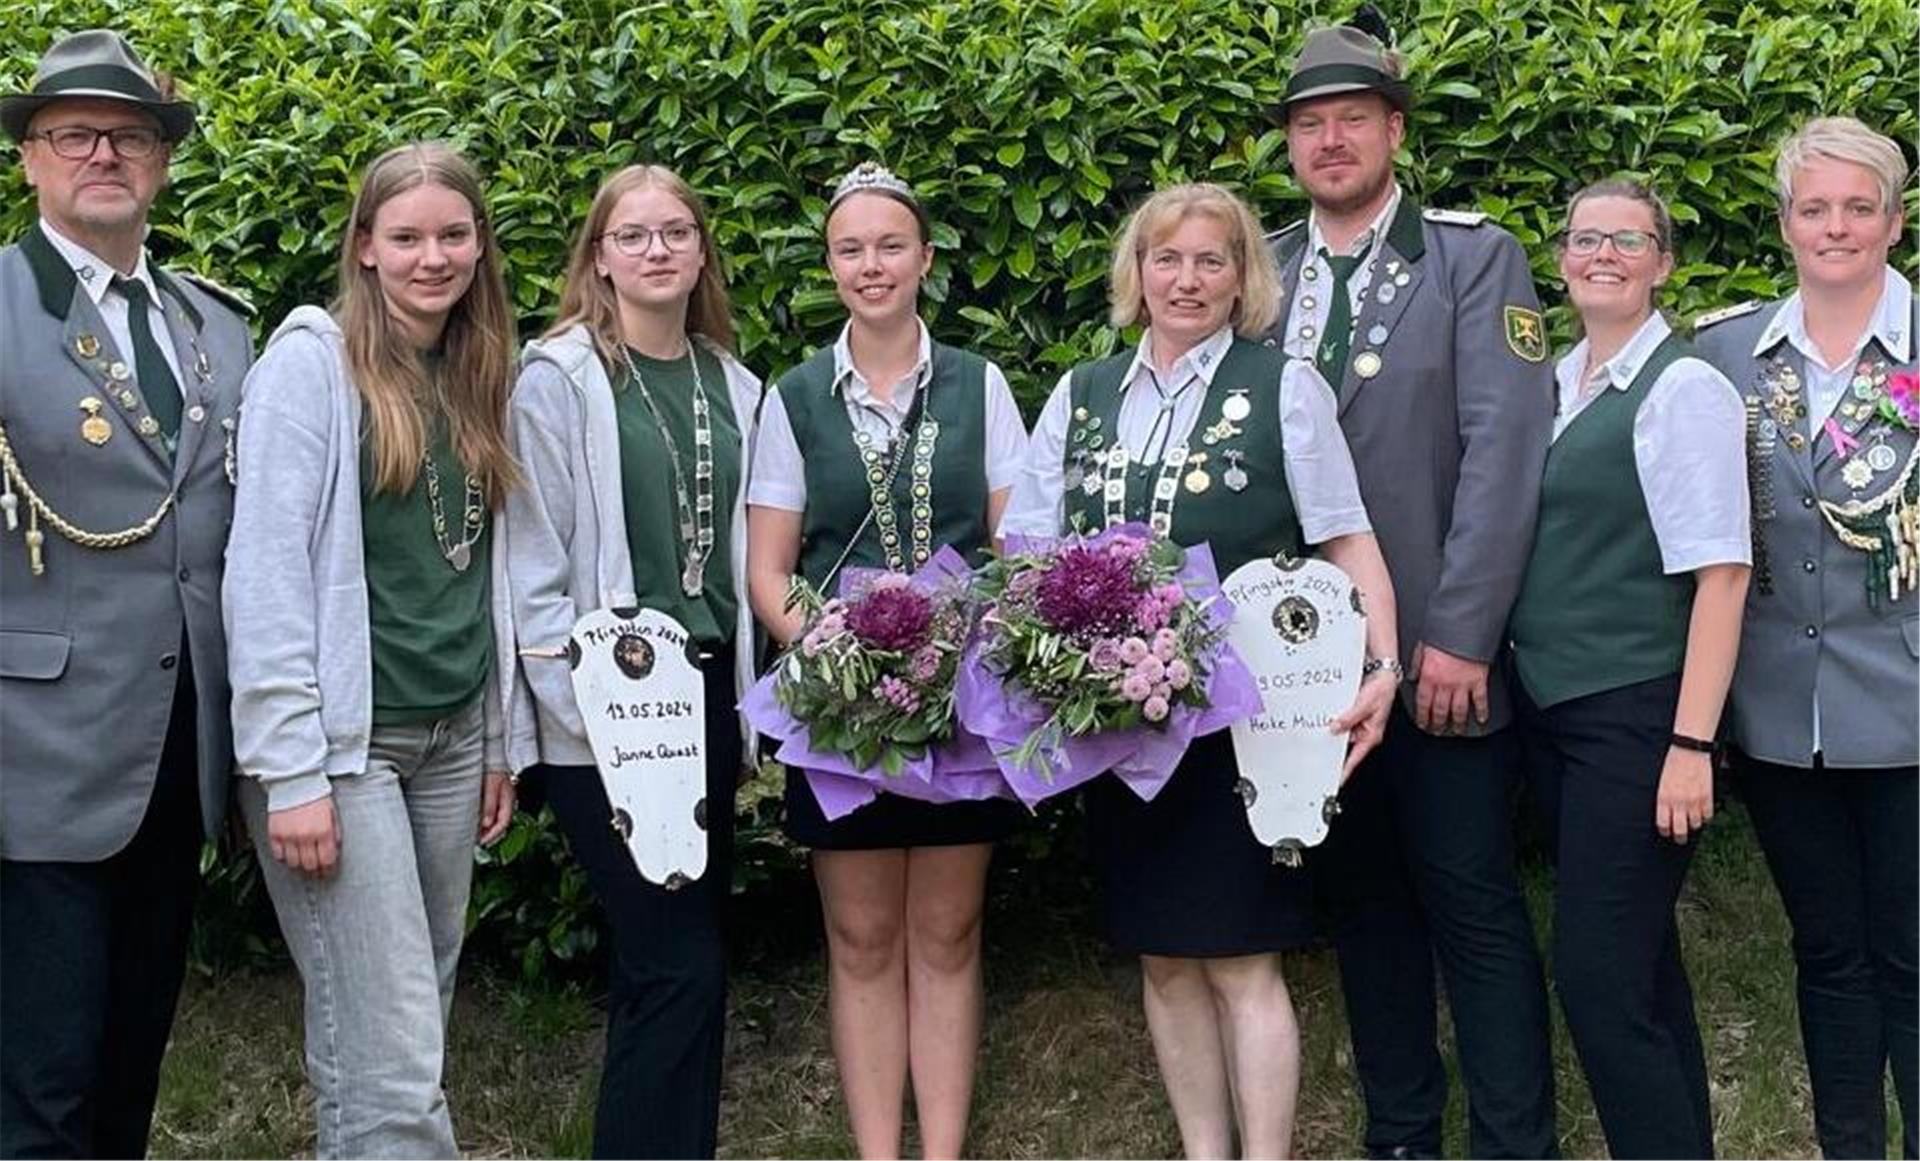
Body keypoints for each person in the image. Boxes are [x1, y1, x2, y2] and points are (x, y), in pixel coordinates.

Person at [999, 181, 1400, 1160]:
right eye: (1166, 259)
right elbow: (1023, 547)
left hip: (1250, 725)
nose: (1187, 279)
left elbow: (1348, 538)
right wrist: (1048, 649)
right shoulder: (1085, 392)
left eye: (1211, 260)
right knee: (1167, 959)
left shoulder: (1283, 387)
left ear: (1242, 278)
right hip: (1119, 727)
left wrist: (1381, 665)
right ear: (1137, 273)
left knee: (1244, 961)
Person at [1261, 17, 1559, 1159]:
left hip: (1439, 658)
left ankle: (1513, 1142)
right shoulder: (1265, 271)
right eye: (1307, 124)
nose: (1329, 141)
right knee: (1366, 909)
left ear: (1393, 129)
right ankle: (1400, 1135)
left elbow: (1504, 451)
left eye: (1350, 119)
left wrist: (1461, 638)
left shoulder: (1471, 259)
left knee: (1473, 909)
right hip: (1314, 674)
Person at [223, 141, 518, 1159]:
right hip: (344, 754)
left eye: (452, 235)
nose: (430, 257)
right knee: (389, 1064)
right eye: (405, 237)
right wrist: (290, 768)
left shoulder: (475, 372)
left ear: (480, 249)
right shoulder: (312, 366)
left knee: (404, 1027)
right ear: (362, 249)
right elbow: (261, 573)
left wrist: (492, 741)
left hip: (447, 741)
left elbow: (474, 579)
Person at [0, 29, 253, 1158]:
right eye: (74, 134)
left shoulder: (216, 325)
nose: (104, 152)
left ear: (160, 160)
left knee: (127, 1071)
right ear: (30, 160)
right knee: (40, 1081)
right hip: (33, 751)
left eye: (131, 134)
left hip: (177, 744)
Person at [744, 161, 1027, 1160]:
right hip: (837, 703)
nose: (872, 265)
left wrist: (956, 649)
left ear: (925, 261)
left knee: (947, 934)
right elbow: (770, 572)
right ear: (831, 266)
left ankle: (940, 1151)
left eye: (890, 246)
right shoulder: (792, 398)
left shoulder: (980, 384)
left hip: (962, 700)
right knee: (861, 940)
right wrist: (835, 652)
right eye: (851, 249)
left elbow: (1016, 549)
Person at [500, 164, 761, 1159]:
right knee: (673, 963)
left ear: (702, 252)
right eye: (633, 235)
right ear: (599, 259)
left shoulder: (735, 385)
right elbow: (532, 559)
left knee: (691, 961)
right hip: (604, 707)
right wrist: (572, 707)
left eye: (676, 232)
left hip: (703, 701)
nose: (657, 250)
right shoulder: (558, 380)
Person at [1510, 178, 1750, 1159]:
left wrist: (1691, 743)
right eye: (1584, 238)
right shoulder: (1555, 381)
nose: (1602, 253)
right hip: (1557, 713)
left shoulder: (1683, 388)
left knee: (1601, 984)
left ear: (1663, 263)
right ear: (1561, 259)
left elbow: (1724, 577)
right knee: (1641, 973)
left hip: (1640, 717)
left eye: (1628, 239)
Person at [1693, 115, 1917, 1161]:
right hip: (1783, 709)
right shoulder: (1730, 350)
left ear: (1895, 220)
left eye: (1858, 207)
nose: (1837, 228)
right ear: (1785, 223)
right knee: (1825, 953)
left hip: (1910, 705)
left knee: (1913, 957)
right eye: (1815, 208)